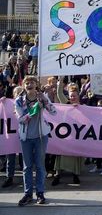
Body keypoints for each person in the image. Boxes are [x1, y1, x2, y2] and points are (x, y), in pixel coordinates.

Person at [15, 75, 57, 206]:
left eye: (32, 82)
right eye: (27, 82)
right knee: (27, 167)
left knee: (39, 165)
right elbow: (20, 119)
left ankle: (40, 193)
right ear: (24, 86)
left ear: (36, 84)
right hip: (26, 138)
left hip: (40, 137)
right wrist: (32, 111)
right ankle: (28, 194)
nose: (29, 84)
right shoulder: (19, 101)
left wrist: (45, 101)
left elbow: (54, 112)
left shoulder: (41, 97)